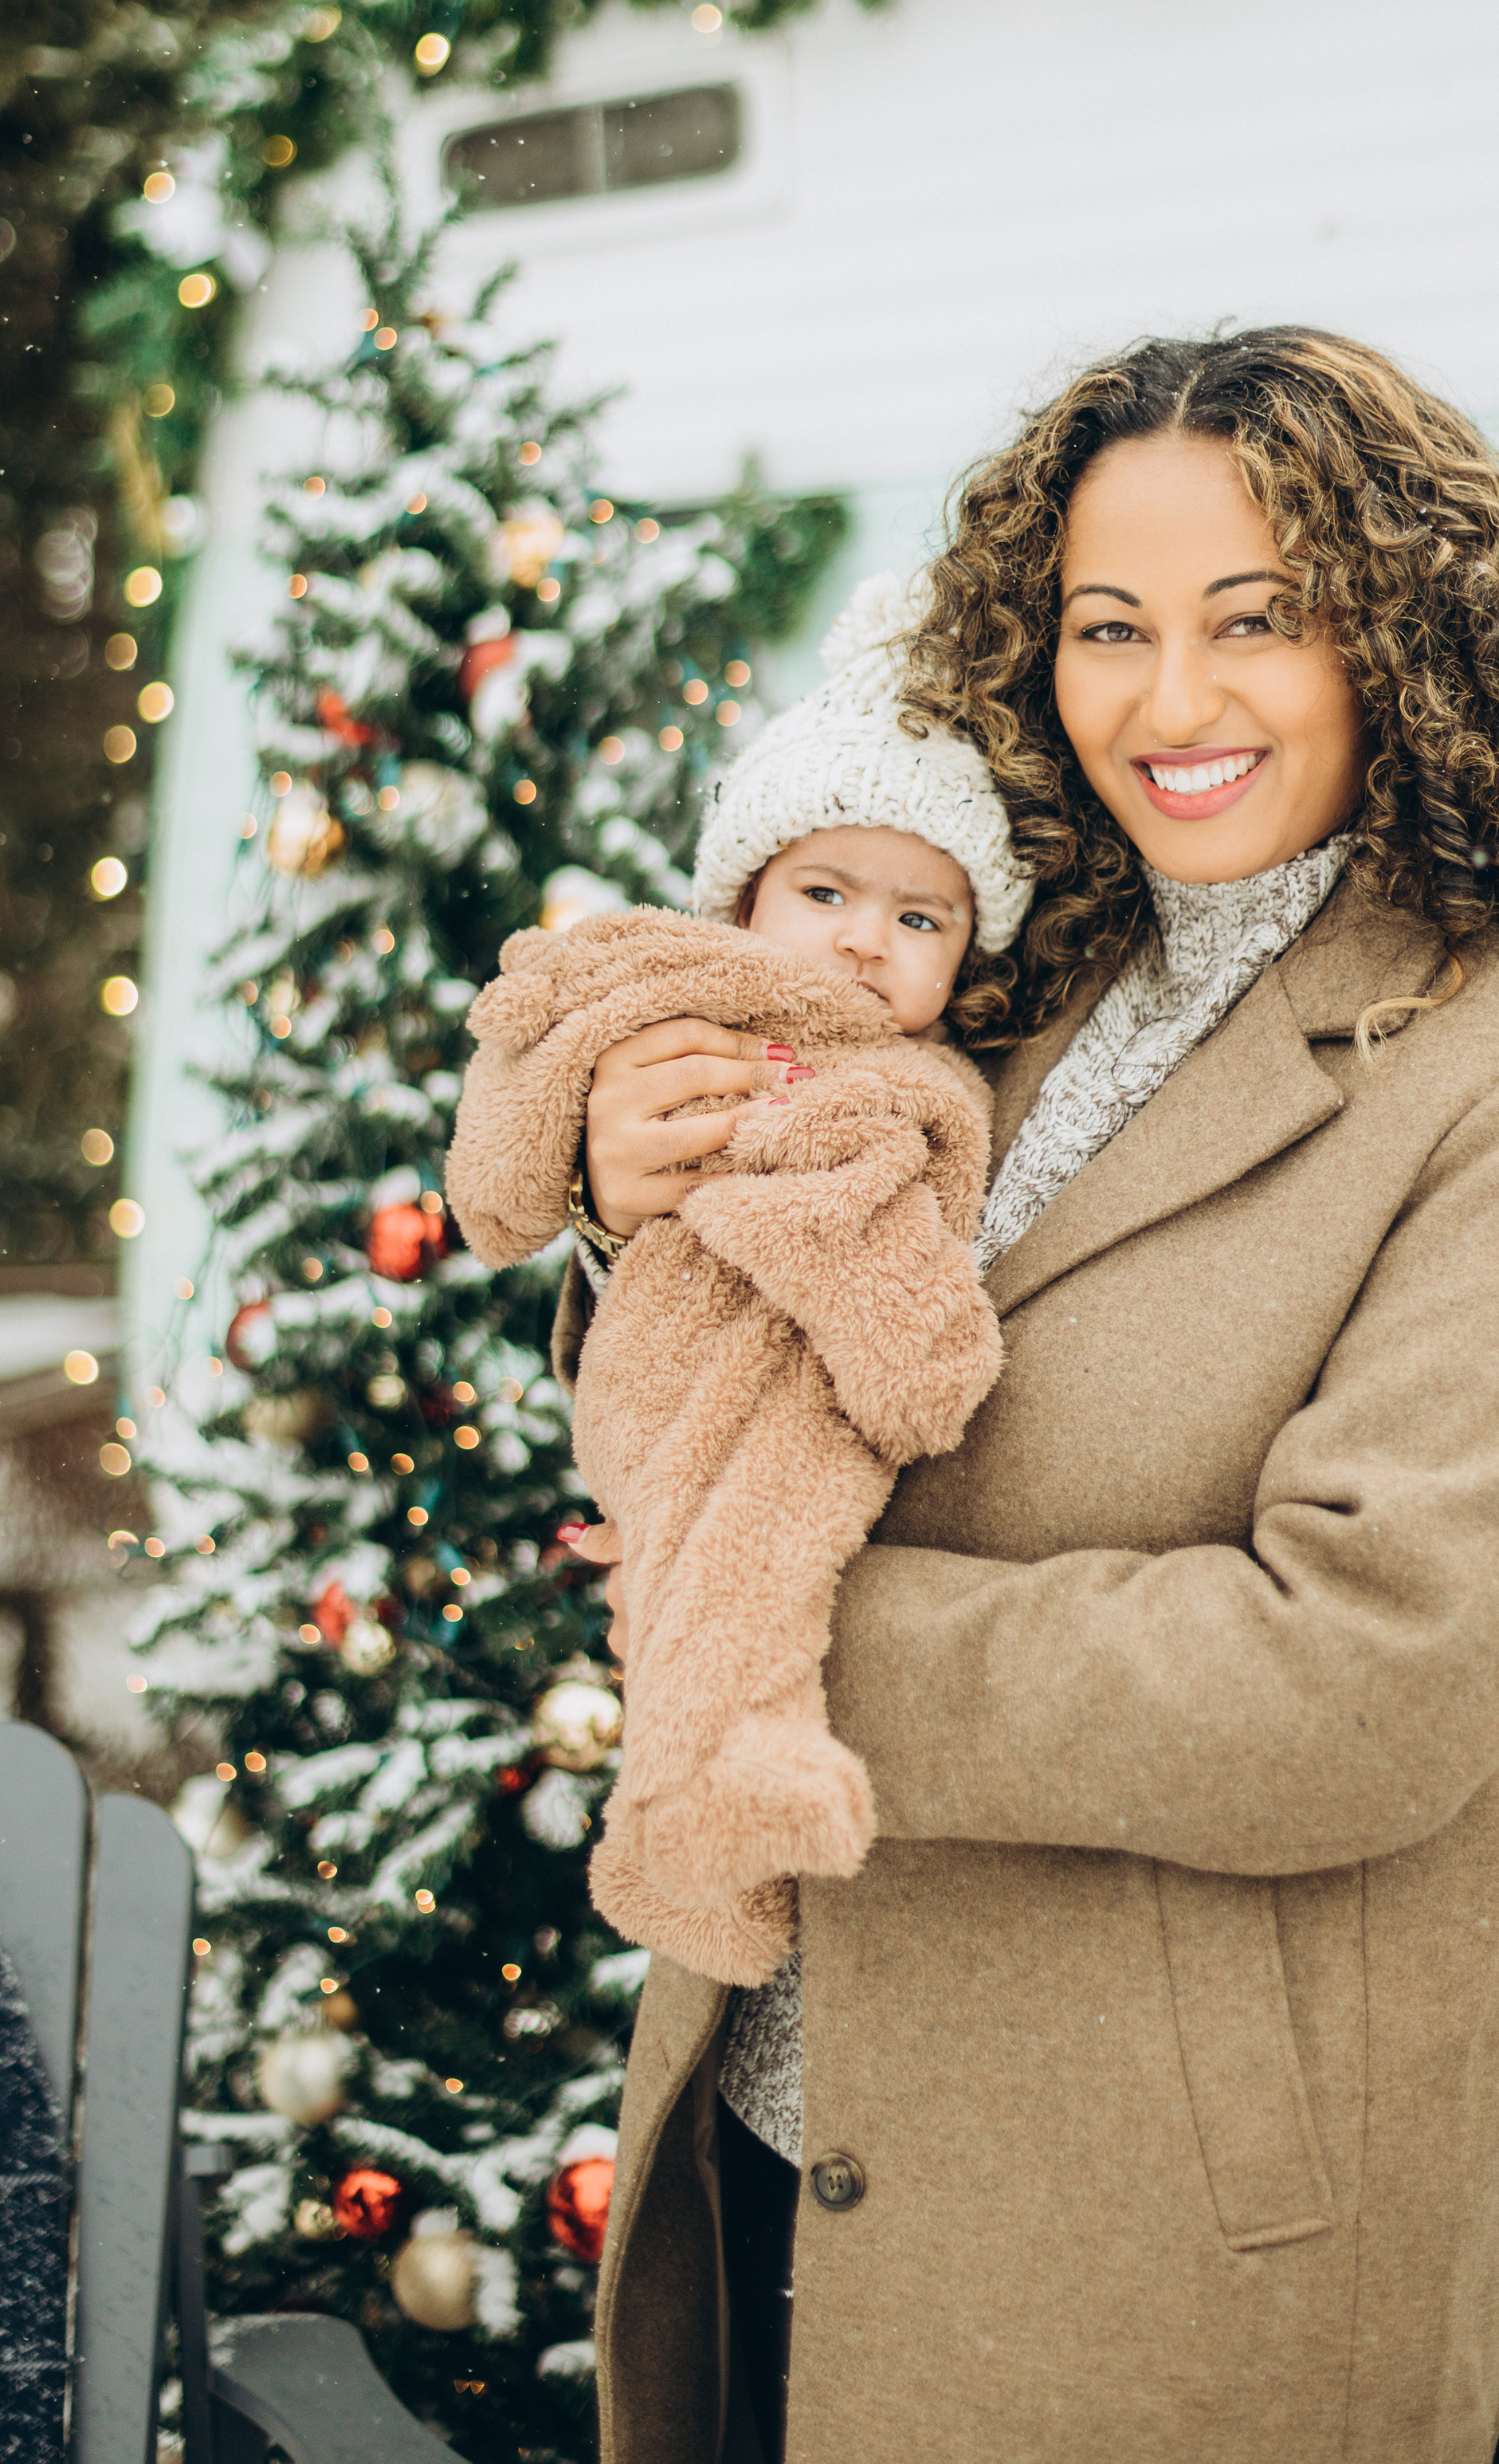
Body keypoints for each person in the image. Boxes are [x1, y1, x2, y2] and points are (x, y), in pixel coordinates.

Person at [562, 328, 1499, 2464]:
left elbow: (1365, 1675)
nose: (1169, 704)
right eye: (1110, 629)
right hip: (782, 2129)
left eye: (1254, 624)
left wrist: (784, 1624)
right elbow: (801, 1343)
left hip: (1150, 2242)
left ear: (1398, 637)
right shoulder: (1004, 971)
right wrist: (642, 1202)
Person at [445, 576, 1030, 1990]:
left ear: (968, 956)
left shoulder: (923, 1082)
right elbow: (526, 1065)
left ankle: (700, 1851)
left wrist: (895, 1331)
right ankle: (713, 1801)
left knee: (737, 1567)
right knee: (735, 1563)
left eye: (917, 921)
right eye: (822, 894)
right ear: (747, 895)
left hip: (788, 1387)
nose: (857, 941)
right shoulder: (668, 984)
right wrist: (561, 1175)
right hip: (672, 1358)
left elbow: (865, 1215)